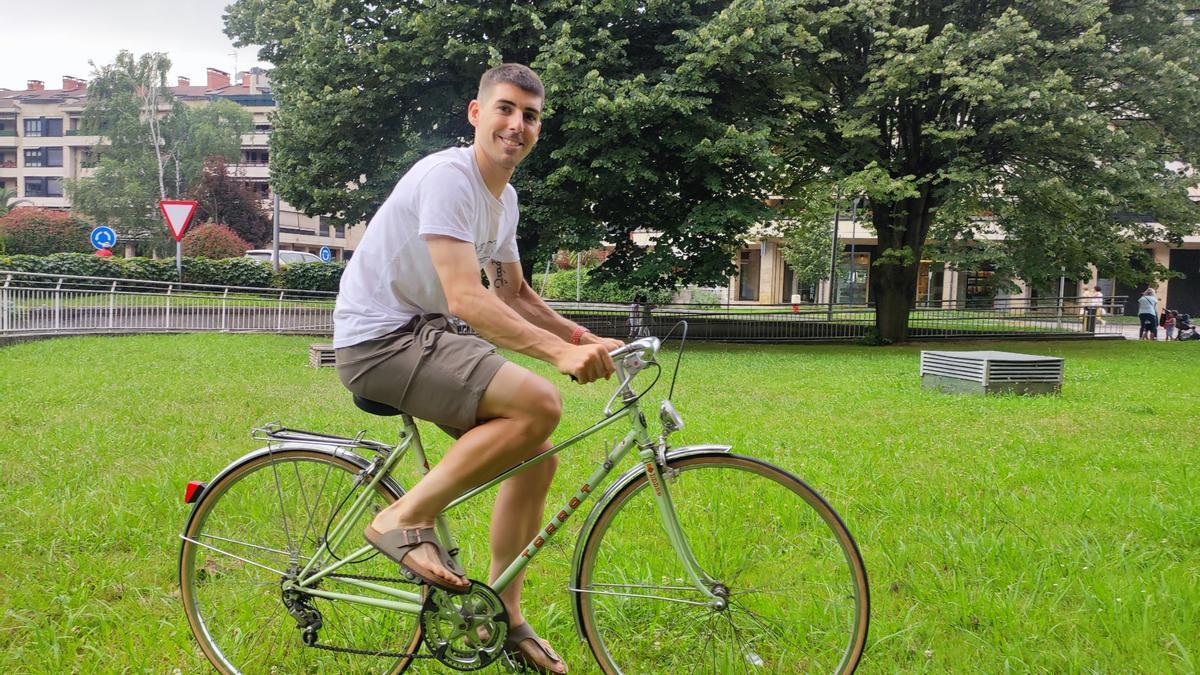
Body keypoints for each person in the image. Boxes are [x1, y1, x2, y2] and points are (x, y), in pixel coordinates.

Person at [332, 64, 621, 673]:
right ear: (476, 113)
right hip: (378, 341)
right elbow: (466, 298)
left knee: (536, 458)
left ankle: (505, 616)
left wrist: (581, 337)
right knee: (540, 403)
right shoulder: (449, 177)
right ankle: (401, 517)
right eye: (505, 109)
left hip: (424, 335)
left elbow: (512, 293)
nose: (517, 125)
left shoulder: (504, 199)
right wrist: (559, 356)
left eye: (530, 115)